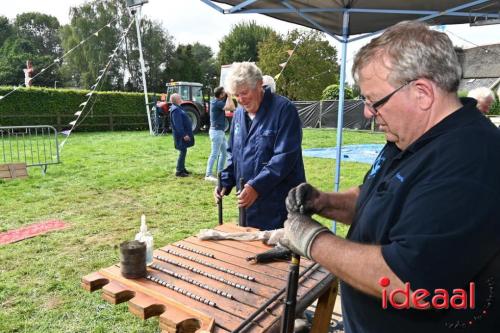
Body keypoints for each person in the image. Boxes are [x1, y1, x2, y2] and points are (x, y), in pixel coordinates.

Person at [281, 21, 500, 333]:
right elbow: (379, 199)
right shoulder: (407, 136)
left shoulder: (471, 159)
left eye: (374, 100)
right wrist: (324, 202)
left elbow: (408, 280)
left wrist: (311, 240)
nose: (369, 112)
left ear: (422, 93)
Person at [214, 62, 305, 231]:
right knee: (248, 253)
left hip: (280, 204)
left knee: (278, 253)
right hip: (249, 207)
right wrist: (225, 181)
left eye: (244, 93)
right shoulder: (239, 114)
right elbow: (234, 153)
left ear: (258, 85)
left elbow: (284, 157)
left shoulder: (284, 110)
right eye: (236, 95)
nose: (241, 100)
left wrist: (256, 186)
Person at [204, 86, 235, 182]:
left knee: (225, 153)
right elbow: (232, 107)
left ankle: (220, 173)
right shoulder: (217, 103)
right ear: (221, 95)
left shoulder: (217, 100)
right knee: (214, 153)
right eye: (223, 93)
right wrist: (229, 96)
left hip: (219, 132)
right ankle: (208, 175)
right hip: (217, 132)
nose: (225, 93)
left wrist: (228, 95)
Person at [169, 93, 194, 177]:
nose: (181, 98)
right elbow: (178, 125)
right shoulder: (175, 110)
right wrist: (184, 135)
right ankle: (179, 171)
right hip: (180, 136)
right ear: (177, 100)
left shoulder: (177, 108)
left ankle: (182, 168)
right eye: (180, 97)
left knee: (184, 151)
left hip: (181, 134)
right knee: (182, 151)